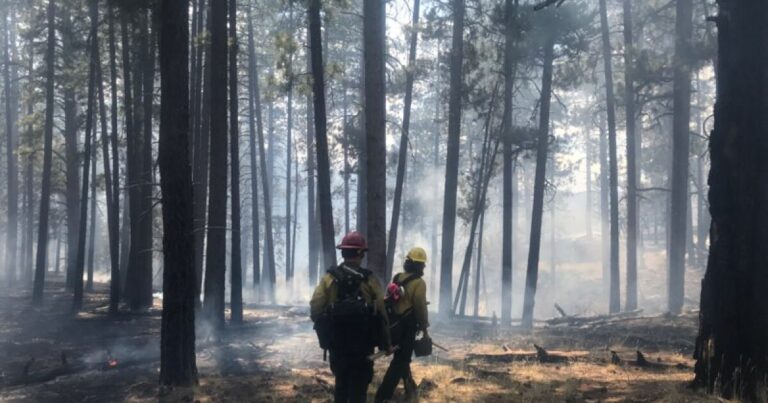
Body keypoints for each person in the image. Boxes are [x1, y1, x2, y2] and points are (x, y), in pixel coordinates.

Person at [310, 231, 392, 403]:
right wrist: (386, 343)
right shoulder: (370, 281)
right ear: (361, 254)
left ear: (343, 252)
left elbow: (316, 307)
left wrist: (327, 327)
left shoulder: (329, 279)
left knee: (341, 386)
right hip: (363, 346)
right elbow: (381, 313)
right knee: (359, 390)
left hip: (337, 345)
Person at [374, 247, 430, 403]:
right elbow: (420, 307)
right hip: (407, 328)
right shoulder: (419, 283)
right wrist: (425, 328)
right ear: (418, 266)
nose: (424, 267)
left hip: (393, 326)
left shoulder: (398, 277)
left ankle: (410, 391)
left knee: (403, 359)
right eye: (422, 265)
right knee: (400, 362)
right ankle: (382, 397)